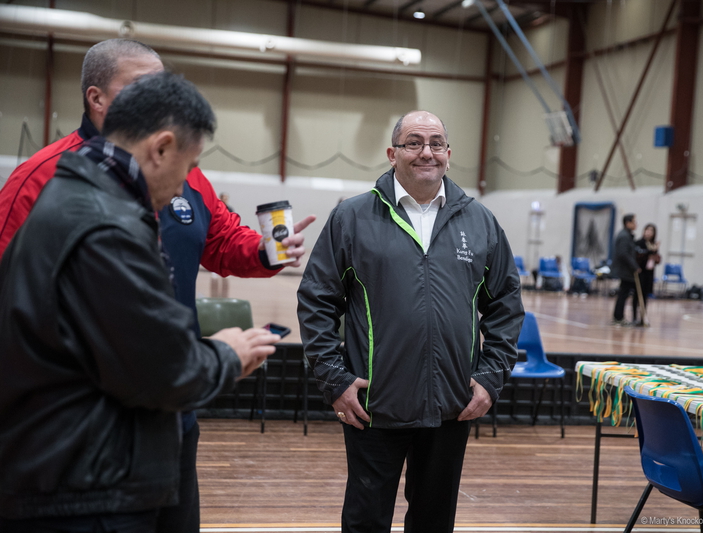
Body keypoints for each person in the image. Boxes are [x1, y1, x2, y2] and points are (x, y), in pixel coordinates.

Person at [0, 39, 315, 533]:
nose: (186, 179)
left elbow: (222, 239)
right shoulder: (61, 191)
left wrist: (263, 251)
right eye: (142, 87)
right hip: (86, 445)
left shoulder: (106, 180)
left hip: (158, 417)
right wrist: (224, 355)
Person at [297, 110, 524, 533]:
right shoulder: (352, 217)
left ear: (449, 154)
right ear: (392, 153)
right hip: (374, 403)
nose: (427, 152)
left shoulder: (480, 222)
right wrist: (334, 379)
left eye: (436, 143)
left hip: (452, 404)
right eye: (414, 142)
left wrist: (491, 376)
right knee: (365, 521)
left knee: (434, 522)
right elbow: (316, 300)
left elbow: (506, 305)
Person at [611, 213, 641, 326]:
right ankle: (618, 317)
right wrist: (635, 266)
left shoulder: (627, 235)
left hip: (626, 270)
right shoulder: (624, 236)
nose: (636, 224)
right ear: (628, 223)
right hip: (625, 270)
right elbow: (623, 254)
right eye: (634, 222)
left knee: (623, 293)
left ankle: (618, 317)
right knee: (623, 294)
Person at [635, 223, 660, 325]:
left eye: (651, 231)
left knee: (645, 295)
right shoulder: (639, 243)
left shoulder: (654, 245)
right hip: (640, 272)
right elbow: (638, 256)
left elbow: (656, 259)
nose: (649, 232)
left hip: (649, 273)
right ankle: (634, 317)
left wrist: (655, 253)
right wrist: (650, 252)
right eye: (647, 230)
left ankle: (642, 317)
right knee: (637, 295)